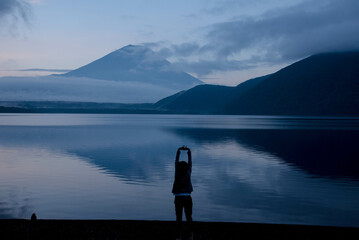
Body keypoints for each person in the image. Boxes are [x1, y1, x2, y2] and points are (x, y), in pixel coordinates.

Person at [172, 145, 193, 240]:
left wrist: (178, 151)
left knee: (179, 217)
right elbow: (190, 162)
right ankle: (190, 235)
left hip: (178, 198)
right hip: (187, 197)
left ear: (178, 167)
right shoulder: (188, 173)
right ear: (187, 167)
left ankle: (178, 236)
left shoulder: (177, 172)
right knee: (189, 217)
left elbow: (176, 162)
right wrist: (188, 151)